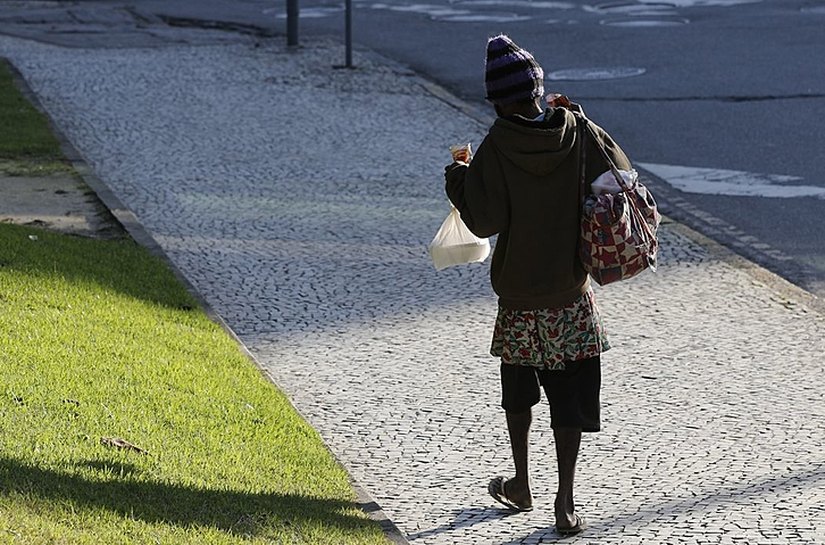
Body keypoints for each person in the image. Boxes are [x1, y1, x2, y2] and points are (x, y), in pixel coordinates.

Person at [443, 34, 632, 536]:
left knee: (520, 393)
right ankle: (565, 501)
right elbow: (622, 174)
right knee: (570, 396)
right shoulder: (576, 129)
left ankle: (522, 482)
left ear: (499, 101)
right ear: (538, 90)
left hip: (521, 297)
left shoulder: (498, 145)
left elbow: (483, 222)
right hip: (570, 294)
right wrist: (584, 118)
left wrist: (457, 177)